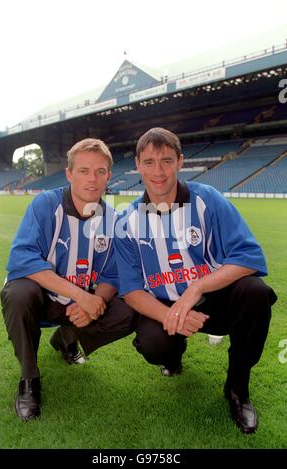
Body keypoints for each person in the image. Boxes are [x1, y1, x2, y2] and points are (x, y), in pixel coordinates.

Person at [114, 127, 277, 434]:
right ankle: (172, 355)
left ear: (180, 162)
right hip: (166, 304)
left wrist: (197, 287)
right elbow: (132, 291)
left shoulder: (208, 201)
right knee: (153, 344)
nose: (158, 171)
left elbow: (247, 257)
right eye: (149, 162)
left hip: (215, 300)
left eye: (166, 160)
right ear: (137, 165)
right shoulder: (127, 222)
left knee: (255, 292)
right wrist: (172, 314)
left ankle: (237, 388)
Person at [0, 138, 137, 421]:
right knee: (18, 293)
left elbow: (112, 273)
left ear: (109, 175)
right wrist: (82, 295)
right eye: (84, 170)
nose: (92, 179)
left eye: (100, 171)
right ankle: (29, 378)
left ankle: (66, 338)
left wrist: (96, 300)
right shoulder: (45, 205)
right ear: (69, 174)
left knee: (129, 307)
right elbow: (22, 259)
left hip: (82, 303)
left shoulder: (114, 219)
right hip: (43, 298)